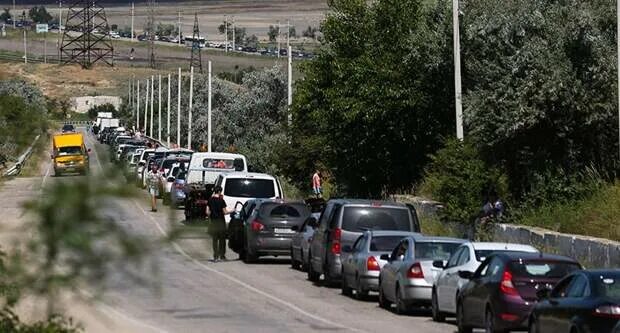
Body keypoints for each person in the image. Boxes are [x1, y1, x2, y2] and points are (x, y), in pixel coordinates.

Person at [207, 186, 229, 262]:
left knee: (215, 240)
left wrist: (212, 214)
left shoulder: (210, 200)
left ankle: (215, 256)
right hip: (221, 222)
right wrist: (232, 210)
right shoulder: (221, 201)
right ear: (219, 192)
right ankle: (222, 256)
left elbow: (207, 212)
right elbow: (225, 212)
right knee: (222, 240)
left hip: (213, 222)